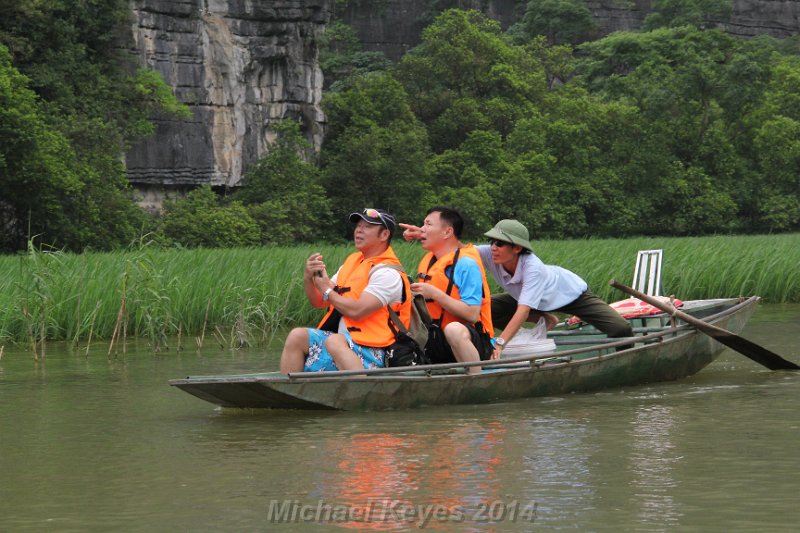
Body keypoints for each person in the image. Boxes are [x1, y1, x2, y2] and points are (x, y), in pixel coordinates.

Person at [279, 209, 412, 374]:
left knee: (335, 341)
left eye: (368, 226)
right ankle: (289, 393)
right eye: (358, 225)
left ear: (384, 235)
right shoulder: (352, 263)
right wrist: (309, 279)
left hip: (377, 350)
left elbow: (357, 311)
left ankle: (361, 390)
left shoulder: (388, 273)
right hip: (343, 344)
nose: (359, 230)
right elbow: (319, 301)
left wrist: (326, 289)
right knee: (297, 336)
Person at [479, 219, 634, 357]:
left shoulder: (533, 268)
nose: (493, 247)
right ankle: (544, 319)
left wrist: (500, 344)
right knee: (481, 308)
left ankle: (626, 361)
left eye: (499, 243)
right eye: (491, 241)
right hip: (531, 300)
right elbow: (459, 252)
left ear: (517, 248)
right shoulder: (489, 253)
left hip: (570, 295)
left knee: (621, 329)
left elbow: (523, 310)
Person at [403, 207, 494, 374]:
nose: (422, 228)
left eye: (428, 224)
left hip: (473, 340)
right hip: (436, 339)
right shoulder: (430, 261)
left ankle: (477, 379)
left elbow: (472, 314)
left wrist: (435, 294)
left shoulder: (466, 264)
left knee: (453, 329)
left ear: (447, 232)